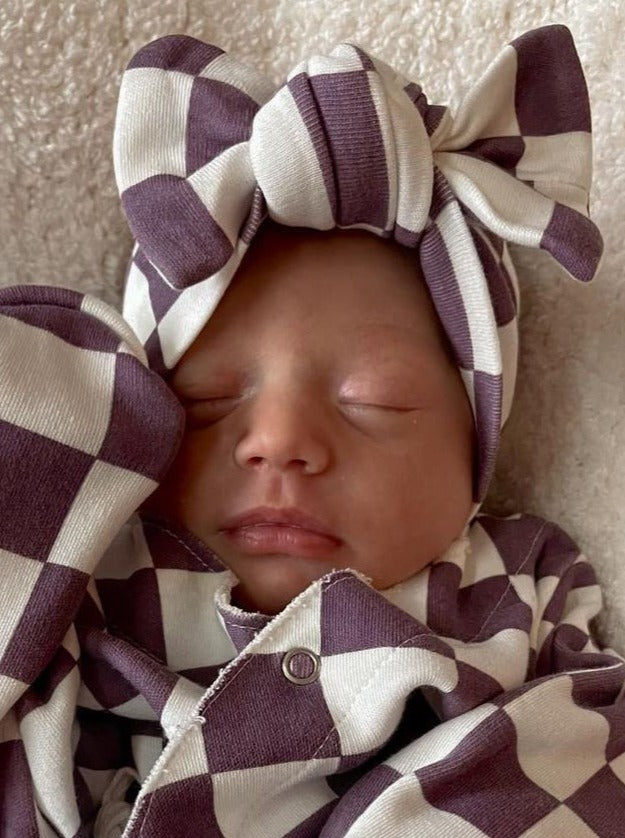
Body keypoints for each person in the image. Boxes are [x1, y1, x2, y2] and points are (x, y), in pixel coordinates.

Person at [0, 22, 623, 838]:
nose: (277, 441)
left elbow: (581, 760)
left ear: (475, 449)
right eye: (206, 402)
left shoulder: (518, 587)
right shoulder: (88, 571)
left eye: (375, 401)